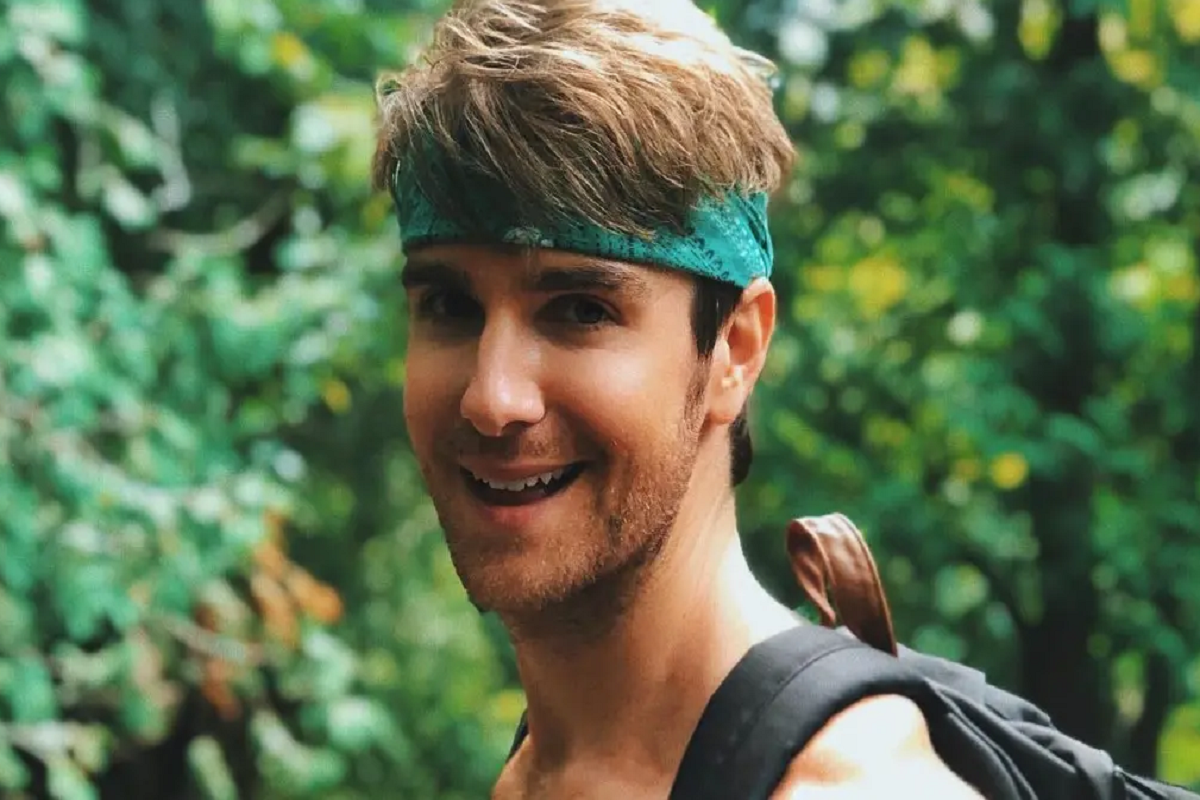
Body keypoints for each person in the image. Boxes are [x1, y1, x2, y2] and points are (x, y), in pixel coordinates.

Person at [372, 1, 986, 797]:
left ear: (736, 349)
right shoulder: (546, 770)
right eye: (450, 306)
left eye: (580, 310)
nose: (493, 399)